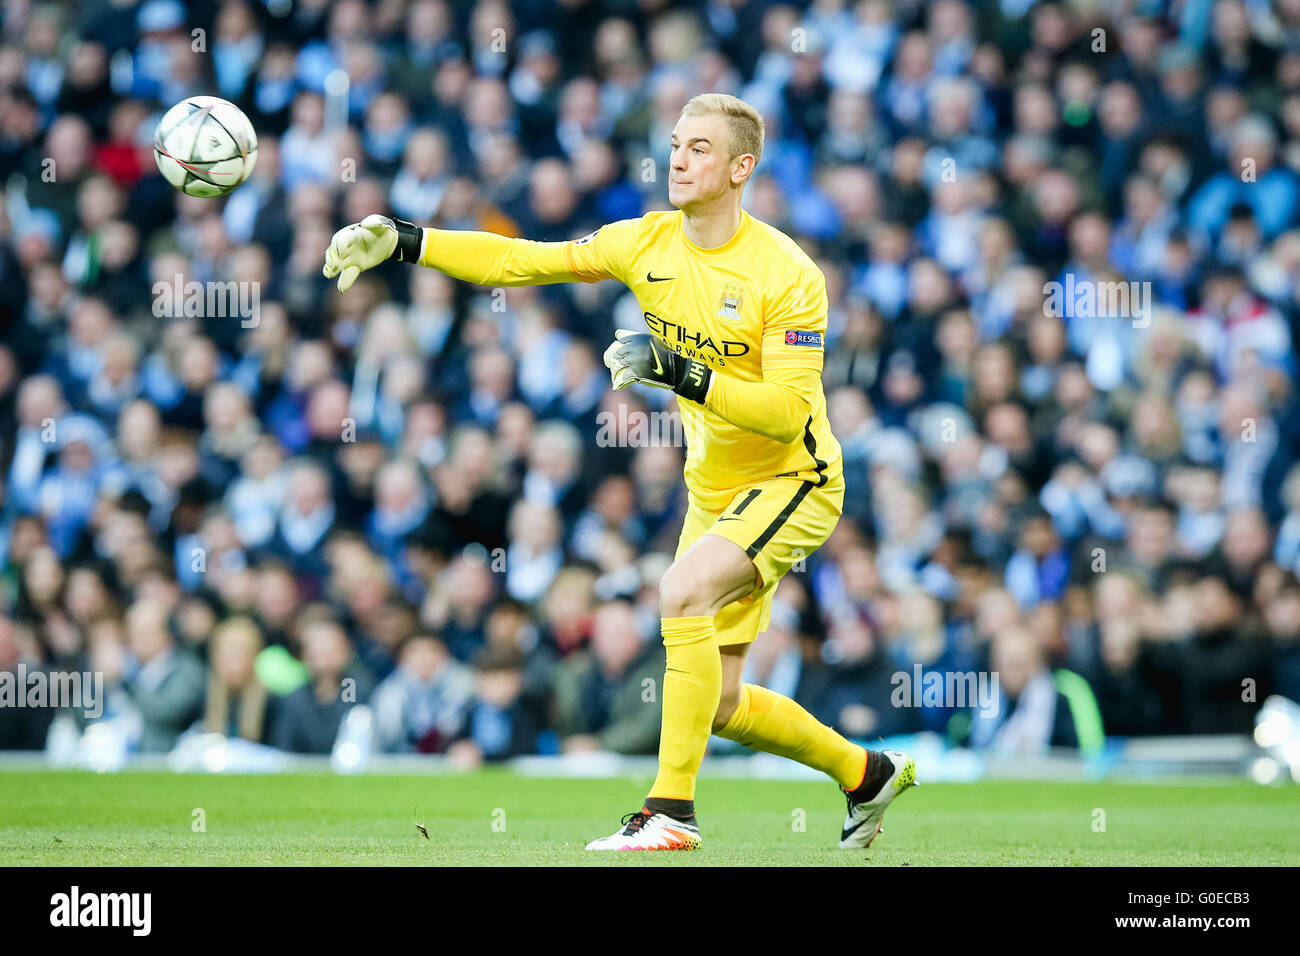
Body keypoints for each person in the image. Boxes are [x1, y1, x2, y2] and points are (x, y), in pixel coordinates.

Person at [323, 92, 916, 851]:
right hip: (714, 490)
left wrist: (680, 372)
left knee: (679, 593)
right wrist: (407, 241)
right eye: (675, 142)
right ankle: (867, 776)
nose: (677, 157)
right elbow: (520, 259)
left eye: (700, 147)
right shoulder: (645, 242)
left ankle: (671, 812)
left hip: (791, 481)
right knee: (723, 702)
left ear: (742, 168)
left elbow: (786, 414)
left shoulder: (789, 275)